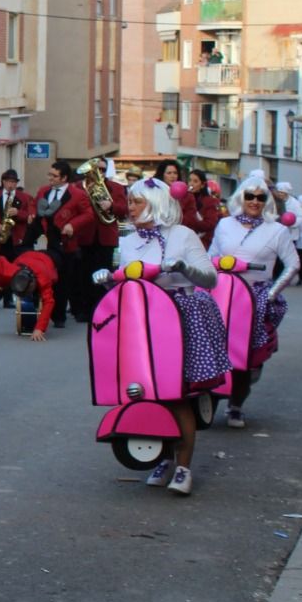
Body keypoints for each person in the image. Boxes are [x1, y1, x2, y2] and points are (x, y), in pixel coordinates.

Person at [94, 178, 226, 495]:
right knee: (148, 392)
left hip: (178, 318)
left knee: (176, 395)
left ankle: (183, 467)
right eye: (131, 201)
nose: (131, 208)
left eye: (137, 201)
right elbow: (123, 279)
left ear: (155, 203)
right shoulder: (127, 240)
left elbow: (210, 278)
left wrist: (183, 267)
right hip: (140, 319)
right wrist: (105, 281)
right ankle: (164, 458)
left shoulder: (183, 235)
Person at [207, 172, 297, 428]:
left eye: (260, 197)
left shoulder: (277, 230)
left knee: (247, 358)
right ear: (241, 197)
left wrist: (270, 294)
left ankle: (236, 405)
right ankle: (209, 401)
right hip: (221, 296)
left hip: (255, 300)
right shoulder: (225, 225)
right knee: (214, 351)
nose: (255, 201)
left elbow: (292, 265)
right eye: (250, 196)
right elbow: (210, 256)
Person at [31, 160, 92, 330]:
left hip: (65, 241)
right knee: (42, 276)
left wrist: (73, 224)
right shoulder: (44, 191)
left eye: (54, 176)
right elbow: (33, 205)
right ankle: (41, 309)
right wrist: (31, 215)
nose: (50, 178)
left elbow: (88, 214)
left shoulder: (78, 194)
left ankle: (59, 316)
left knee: (63, 280)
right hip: (46, 239)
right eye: (49, 174)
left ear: (64, 178)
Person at [67, 157, 128, 318]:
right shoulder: (79, 187)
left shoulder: (116, 188)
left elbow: (124, 210)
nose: (98, 173)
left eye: (102, 169)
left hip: (106, 237)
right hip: (84, 236)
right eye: (96, 169)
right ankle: (83, 310)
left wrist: (111, 206)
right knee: (83, 274)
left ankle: (102, 308)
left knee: (104, 275)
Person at [0, 169, 33, 308]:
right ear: (3, 182)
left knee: (12, 269)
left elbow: (30, 217)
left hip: (14, 239)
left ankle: (8, 298)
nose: (12, 185)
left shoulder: (24, 197)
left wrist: (18, 213)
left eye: (14, 182)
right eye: (9, 182)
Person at [0, 251, 59, 342]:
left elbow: (49, 302)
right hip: (25, 257)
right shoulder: (12, 271)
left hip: (46, 260)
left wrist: (39, 328)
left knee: (57, 295)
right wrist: (2, 284)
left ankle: (59, 318)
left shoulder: (44, 278)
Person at [153, 159, 204, 235]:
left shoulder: (187, 195)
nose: (172, 176)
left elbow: (191, 219)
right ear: (162, 174)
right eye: (169, 173)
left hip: (178, 233)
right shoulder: (154, 192)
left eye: (175, 173)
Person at [187, 170, 222, 247]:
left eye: (195, 181)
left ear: (202, 185)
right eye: (190, 180)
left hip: (202, 242)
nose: (191, 184)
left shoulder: (210, 201)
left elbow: (210, 224)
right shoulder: (185, 199)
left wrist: (191, 223)